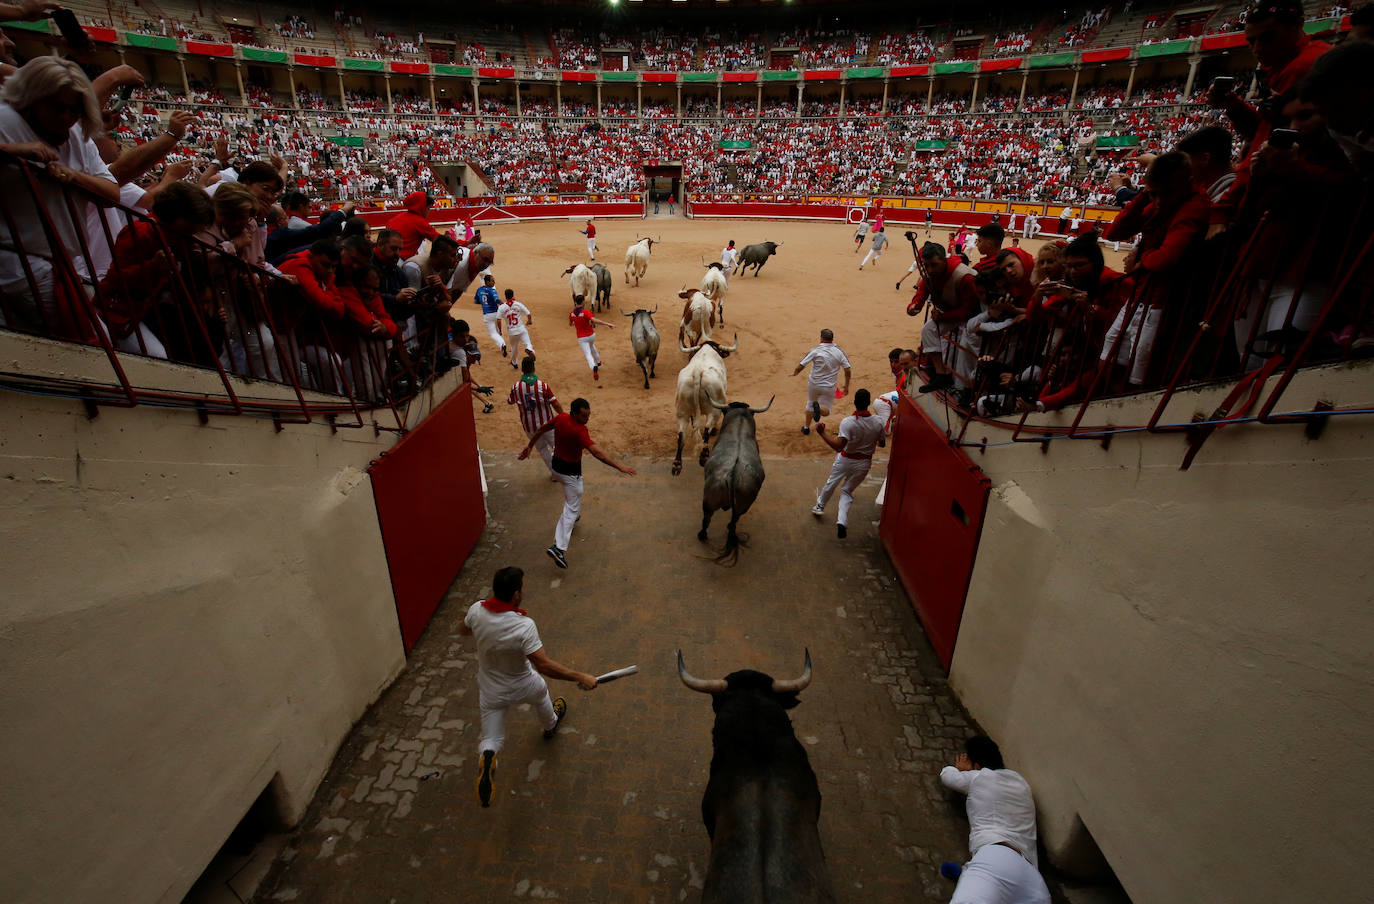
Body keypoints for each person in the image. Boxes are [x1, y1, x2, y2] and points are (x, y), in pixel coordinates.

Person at [0, 56, 120, 339]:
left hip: (59, 264)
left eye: (75, 110)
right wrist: (13, 152)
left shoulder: (76, 133)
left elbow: (110, 193)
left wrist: (72, 176)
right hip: (17, 260)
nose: (67, 117)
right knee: (92, 345)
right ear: (31, 99)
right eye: (57, 108)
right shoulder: (5, 119)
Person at [459, 565, 598, 808]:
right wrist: (579, 676)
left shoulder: (476, 610)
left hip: (490, 689)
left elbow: (464, 629)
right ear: (515, 595)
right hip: (523, 684)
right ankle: (550, 724)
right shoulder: (523, 626)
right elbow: (543, 665)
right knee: (542, 693)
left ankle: (488, 755)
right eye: (522, 588)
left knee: (491, 736)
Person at [519, 398, 636, 570]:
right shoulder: (580, 431)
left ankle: (574, 516)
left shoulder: (561, 418)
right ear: (575, 413)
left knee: (577, 492)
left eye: (588, 415)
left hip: (556, 467)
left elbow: (542, 429)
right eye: (583, 415)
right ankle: (558, 547)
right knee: (571, 506)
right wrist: (620, 467)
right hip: (570, 473)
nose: (587, 419)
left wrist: (529, 446)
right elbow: (597, 453)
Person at [939, 735, 1050, 904]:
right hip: (1031, 875)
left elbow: (947, 775)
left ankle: (972, 877)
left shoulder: (978, 777)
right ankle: (968, 877)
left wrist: (963, 770)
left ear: (976, 765)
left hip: (996, 859)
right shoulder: (1021, 783)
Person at [810, 389, 885, 539]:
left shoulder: (848, 422)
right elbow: (882, 443)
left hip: (846, 460)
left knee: (832, 482)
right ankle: (841, 521)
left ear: (855, 403)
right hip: (864, 463)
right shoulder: (878, 421)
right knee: (846, 491)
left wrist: (822, 433)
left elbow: (838, 446)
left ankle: (820, 506)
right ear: (869, 403)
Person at [906, 242, 979, 393]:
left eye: (934, 265)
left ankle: (965, 388)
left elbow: (969, 309)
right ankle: (941, 374)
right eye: (926, 265)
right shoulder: (930, 274)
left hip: (973, 320)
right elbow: (922, 291)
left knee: (966, 357)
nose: (930, 270)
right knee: (928, 330)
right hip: (950, 316)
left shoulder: (964, 276)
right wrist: (915, 305)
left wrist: (944, 317)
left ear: (944, 260)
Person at [508, 354, 562, 479]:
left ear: (522, 370)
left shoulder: (516, 387)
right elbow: (555, 404)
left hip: (529, 427)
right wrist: (563, 415)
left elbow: (510, 401)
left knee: (542, 449)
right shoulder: (543, 386)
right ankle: (559, 470)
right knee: (557, 446)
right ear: (534, 369)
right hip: (547, 424)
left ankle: (554, 474)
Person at [791, 328, 852, 435]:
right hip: (829, 387)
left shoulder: (815, 350)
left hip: (814, 384)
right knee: (826, 410)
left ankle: (806, 428)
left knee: (810, 403)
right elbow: (847, 370)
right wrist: (846, 386)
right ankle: (818, 409)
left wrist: (795, 372)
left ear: (821, 338)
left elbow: (802, 365)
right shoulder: (839, 352)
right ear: (832, 339)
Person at [568, 294, 614, 381]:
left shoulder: (571, 314)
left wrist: (575, 323)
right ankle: (598, 361)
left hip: (582, 338)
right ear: (583, 302)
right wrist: (607, 324)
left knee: (588, 354)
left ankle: (593, 367)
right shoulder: (585, 312)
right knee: (592, 346)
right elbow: (594, 320)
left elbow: (570, 324)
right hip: (591, 335)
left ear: (575, 302)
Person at [387, 190, 439, 258]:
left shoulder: (395, 218)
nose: (429, 212)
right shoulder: (419, 222)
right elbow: (440, 240)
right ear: (423, 207)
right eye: (428, 208)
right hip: (397, 260)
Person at [498, 288, 534, 365]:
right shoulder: (518, 304)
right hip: (521, 329)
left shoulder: (501, 307)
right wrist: (529, 321)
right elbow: (528, 313)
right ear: (513, 295)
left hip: (511, 331)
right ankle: (529, 349)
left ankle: (514, 363)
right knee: (528, 343)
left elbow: (498, 319)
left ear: (505, 296)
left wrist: (500, 330)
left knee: (514, 348)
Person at [474, 272, 505, 356]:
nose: (494, 282)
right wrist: (504, 304)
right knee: (499, 331)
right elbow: (496, 300)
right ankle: (502, 345)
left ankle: (502, 345)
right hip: (496, 313)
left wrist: (484, 304)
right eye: (492, 281)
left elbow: (476, 301)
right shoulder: (492, 290)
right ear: (487, 282)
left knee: (493, 333)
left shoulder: (479, 290)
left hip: (487, 315)